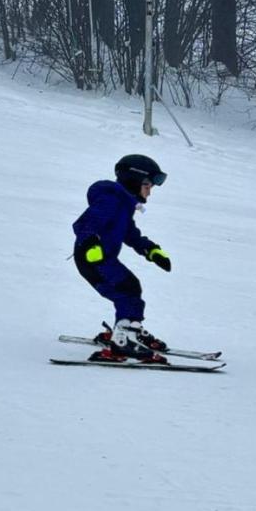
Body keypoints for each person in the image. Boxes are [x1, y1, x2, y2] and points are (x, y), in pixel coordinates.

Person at [71, 154, 172, 363]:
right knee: (128, 289)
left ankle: (128, 329)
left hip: (99, 258)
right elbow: (84, 224)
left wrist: (151, 250)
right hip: (94, 257)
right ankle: (123, 340)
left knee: (127, 290)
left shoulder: (124, 204)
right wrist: (91, 245)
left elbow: (130, 234)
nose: (149, 191)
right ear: (134, 180)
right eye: (147, 185)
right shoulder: (111, 199)